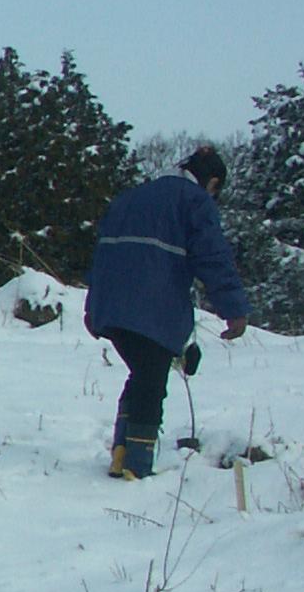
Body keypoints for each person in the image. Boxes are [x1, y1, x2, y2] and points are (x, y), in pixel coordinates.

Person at [83, 145, 249, 479]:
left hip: (111, 305)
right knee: (151, 379)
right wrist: (234, 309)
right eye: (216, 190)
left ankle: (121, 451)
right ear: (211, 181)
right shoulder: (194, 201)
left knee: (142, 374)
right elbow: (213, 256)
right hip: (151, 307)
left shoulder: (131, 197)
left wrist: (94, 305)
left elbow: (102, 253)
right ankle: (136, 464)